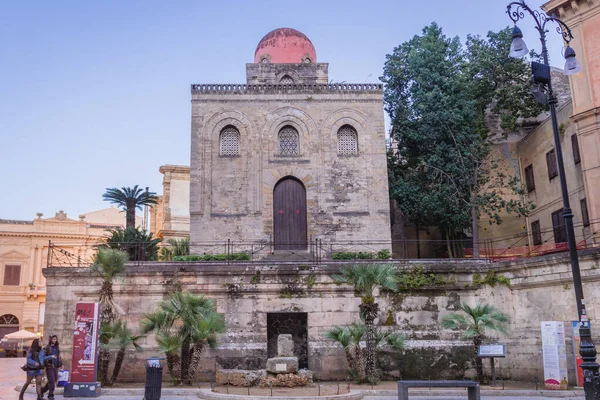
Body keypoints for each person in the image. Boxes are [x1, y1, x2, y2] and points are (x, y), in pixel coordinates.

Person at [40, 334, 62, 400]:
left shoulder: (57, 347)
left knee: (53, 380)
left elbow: (59, 357)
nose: (54, 340)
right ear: (50, 339)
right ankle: (50, 395)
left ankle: (42, 390)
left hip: (56, 366)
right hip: (49, 366)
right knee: (52, 380)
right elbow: (42, 357)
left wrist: (61, 364)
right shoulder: (46, 347)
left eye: (55, 339)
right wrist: (50, 357)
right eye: (53, 339)